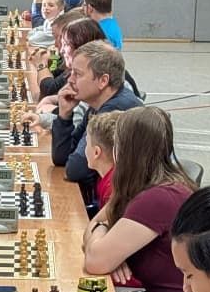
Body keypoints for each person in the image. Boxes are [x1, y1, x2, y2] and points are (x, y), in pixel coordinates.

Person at [84, 105, 210, 292]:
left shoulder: (157, 198)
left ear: (123, 150)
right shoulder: (149, 184)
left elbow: (95, 260)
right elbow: (94, 229)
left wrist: (107, 243)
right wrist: (111, 247)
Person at [52, 42, 142, 199]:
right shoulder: (97, 105)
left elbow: (76, 169)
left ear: (103, 81)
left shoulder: (116, 109)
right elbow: (61, 158)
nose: (70, 80)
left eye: (77, 74)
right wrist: (64, 115)